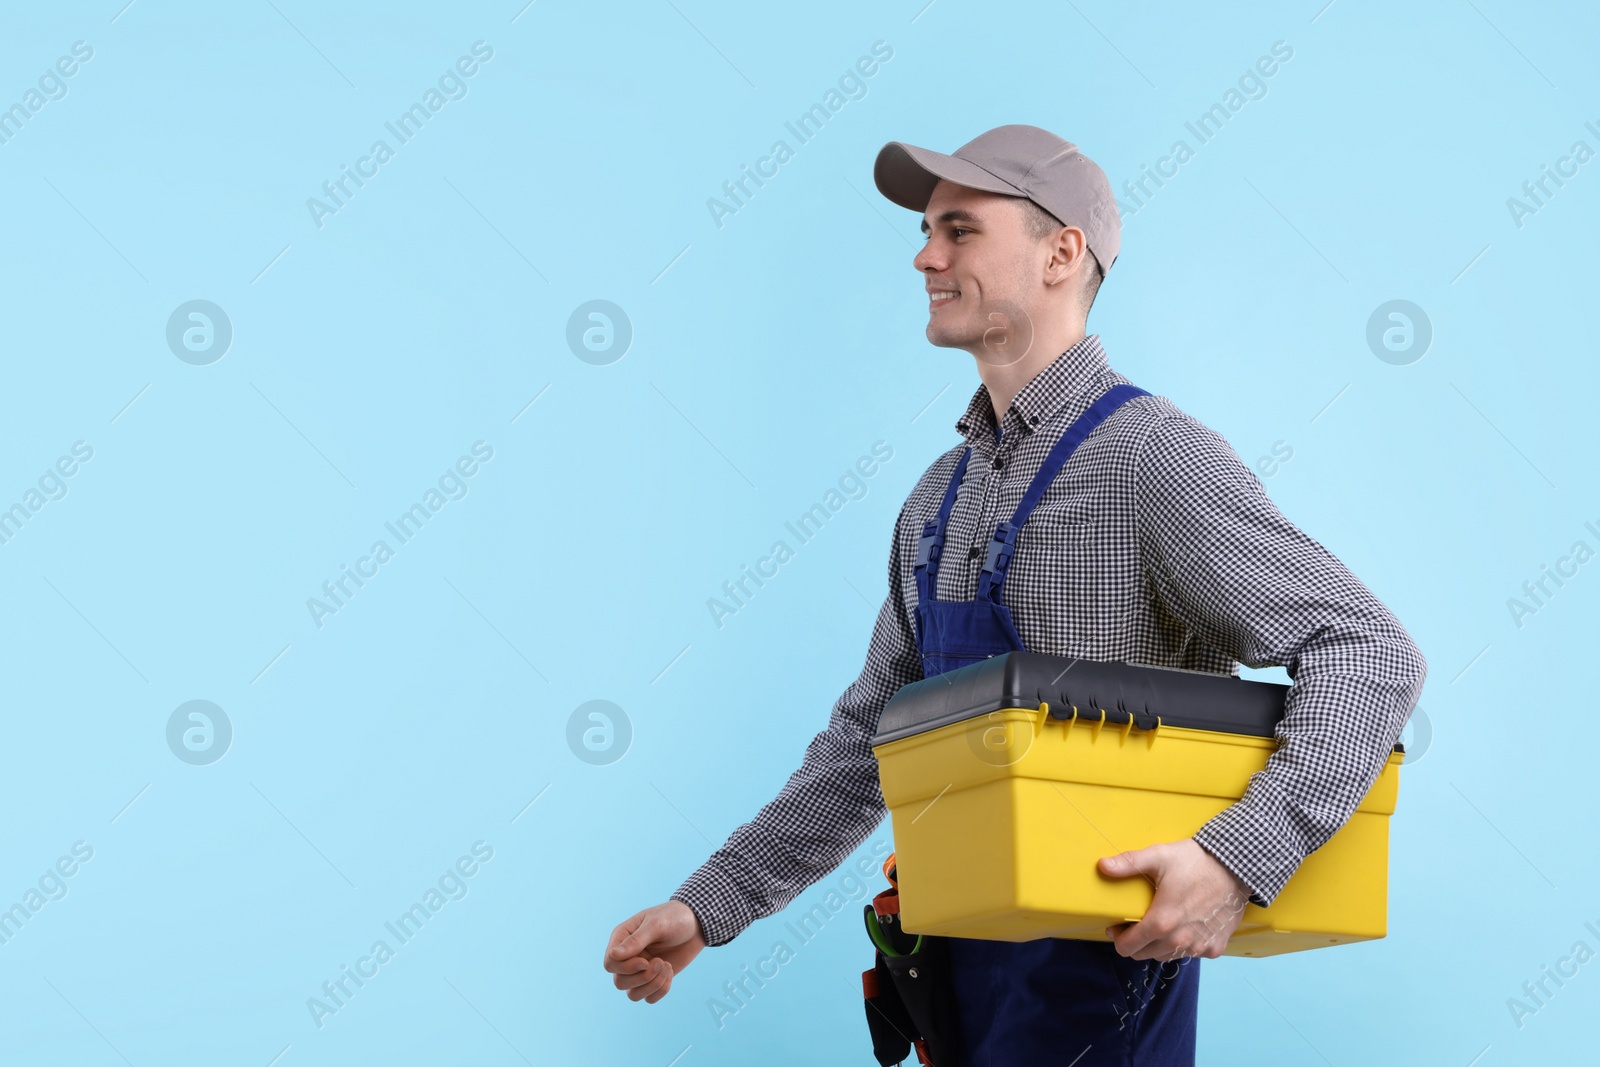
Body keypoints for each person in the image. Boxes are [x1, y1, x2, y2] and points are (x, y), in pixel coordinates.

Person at [602, 124, 1427, 1064]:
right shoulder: (933, 499)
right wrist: (708, 905)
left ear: (1061, 251)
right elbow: (872, 741)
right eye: (925, 231)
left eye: (959, 230)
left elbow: (1369, 651)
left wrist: (1236, 858)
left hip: (1102, 987)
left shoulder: (1150, 459)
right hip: (955, 982)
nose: (925, 255)